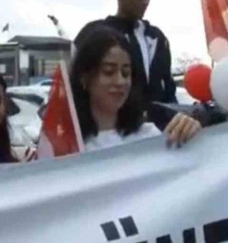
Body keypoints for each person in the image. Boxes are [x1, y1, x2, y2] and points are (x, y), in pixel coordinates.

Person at [75, 0, 178, 129]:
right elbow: (74, 88)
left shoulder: (157, 38)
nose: (145, 1)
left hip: (159, 136)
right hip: (111, 135)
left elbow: (169, 93)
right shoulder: (93, 34)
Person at [71, 27, 200, 152]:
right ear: (84, 77)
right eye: (108, 72)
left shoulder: (148, 135)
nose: (120, 81)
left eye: (126, 73)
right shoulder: (68, 146)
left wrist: (192, 135)